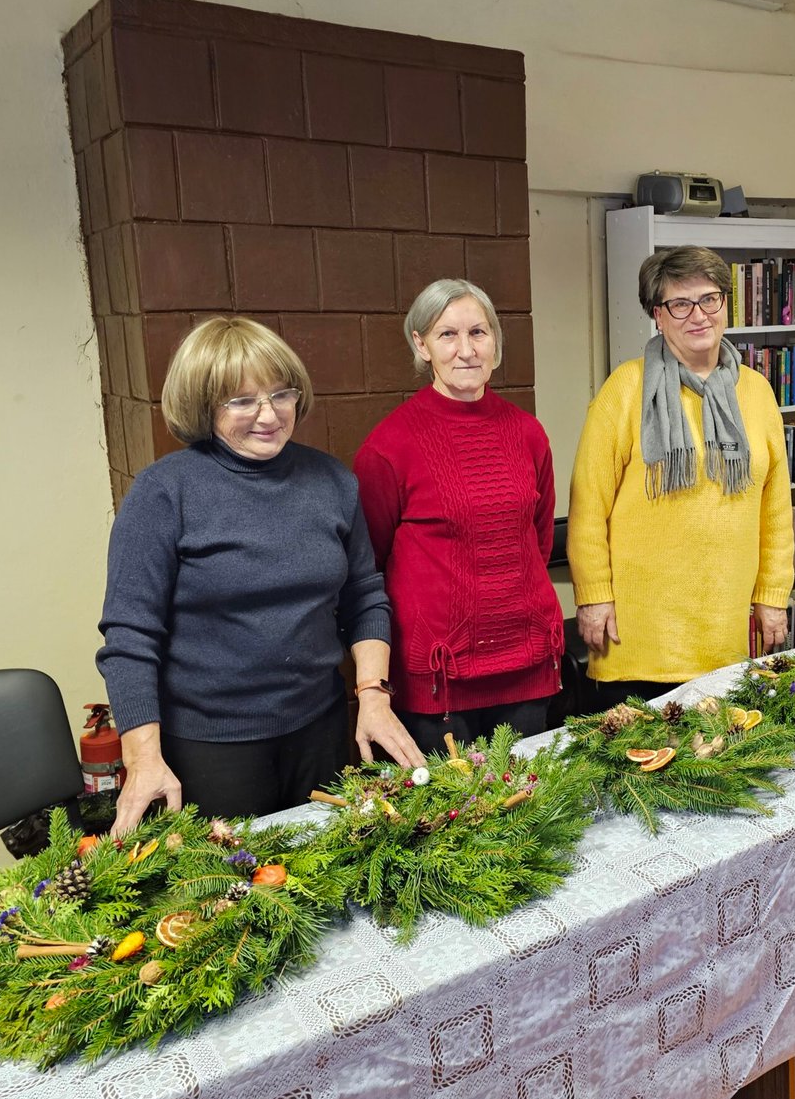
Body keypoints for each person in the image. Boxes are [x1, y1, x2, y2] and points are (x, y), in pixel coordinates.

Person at [98, 316, 424, 835]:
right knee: (233, 883)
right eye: (242, 401)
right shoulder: (163, 493)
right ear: (205, 406)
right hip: (210, 747)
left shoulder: (332, 481)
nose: (269, 415)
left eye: (280, 394)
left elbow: (364, 598)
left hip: (319, 729)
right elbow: (130, 637)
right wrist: (142, 758)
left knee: (329, 870)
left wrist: (374, 695)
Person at [568, 245, 793, 706]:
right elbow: (588, 507)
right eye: (680, 304)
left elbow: (775, 509)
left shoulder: (757, 392)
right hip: (636, 637)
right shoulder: (625, 389)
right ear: (658, 315)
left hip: (724, 633)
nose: (699, 315)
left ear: (725, 303)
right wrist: (593, 596)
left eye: (709, 299)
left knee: (721, 751)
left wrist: (772, 596)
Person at [353, 279, 562, 753]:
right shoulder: (388, 446)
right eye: (447, 334)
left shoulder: (528, 433)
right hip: (438, 678)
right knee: (450, 800)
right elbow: (371, 564)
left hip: (526, 664)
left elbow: (538, 542)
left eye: (478, 333)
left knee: (533, 796)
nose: (466, 350)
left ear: (495, 343)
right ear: (421, 344)